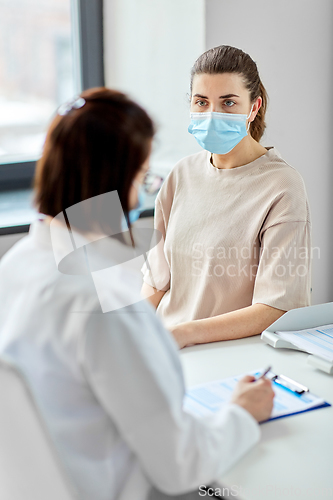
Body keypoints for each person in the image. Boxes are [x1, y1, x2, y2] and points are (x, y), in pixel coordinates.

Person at [0, 88, 274, 500]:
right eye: (142, 177)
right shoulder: (104, 304)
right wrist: (241, 414)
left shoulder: (17, 265)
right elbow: (180, 466)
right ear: (120, 181)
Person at [141, 45, 311, 349]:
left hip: (225, 355)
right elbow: (156, 281)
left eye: (228, 102)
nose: (212, 114)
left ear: (253, 107)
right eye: (202, 102)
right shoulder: (181, 175)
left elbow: (277, 307)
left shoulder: (282, 186)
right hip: (165, 348)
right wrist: (127, 330)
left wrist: (183, 334)